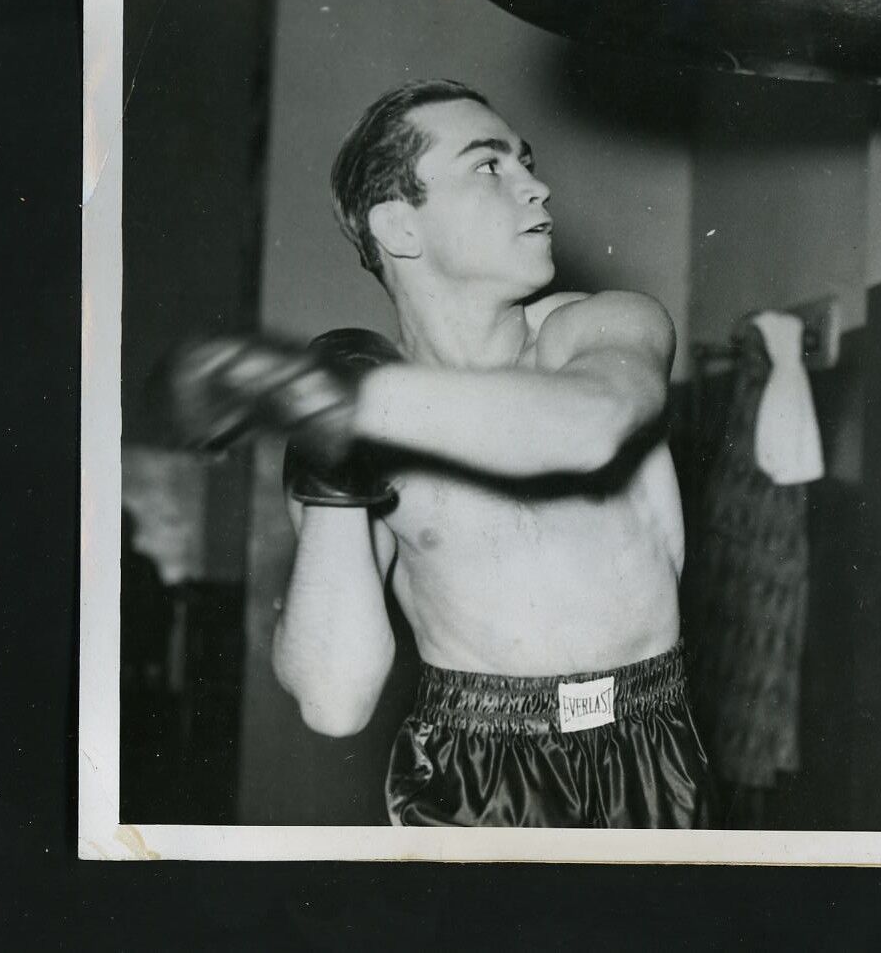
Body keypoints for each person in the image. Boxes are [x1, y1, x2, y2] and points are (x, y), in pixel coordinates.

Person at [167, 79, 713, 828]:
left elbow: (587, 426)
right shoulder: (346, 406)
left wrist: (338, 401)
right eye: (490, 166)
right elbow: (334, 700)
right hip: (469, 776)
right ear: (400, 227)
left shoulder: (602, 327)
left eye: (526, 160)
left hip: (649, 750)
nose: (537, 185)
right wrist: (334, 464)